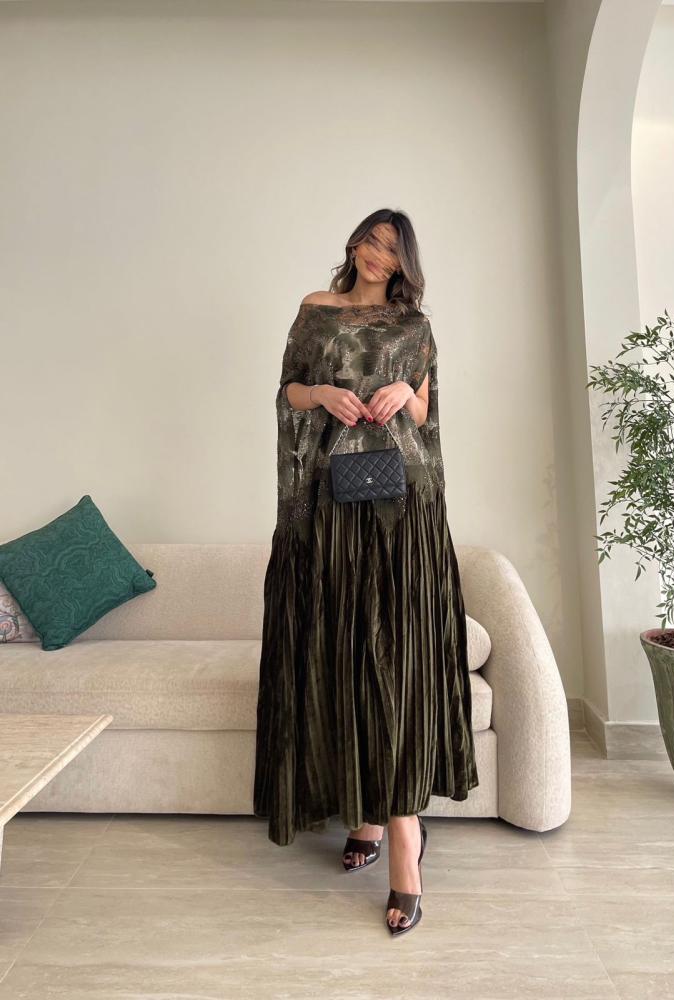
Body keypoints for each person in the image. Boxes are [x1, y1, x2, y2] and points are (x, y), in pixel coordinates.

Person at [253, 208, 478, 935]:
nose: (378, 257)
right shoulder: (315, 310)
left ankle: (404, 843)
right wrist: (322, 394)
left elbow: (424, 409)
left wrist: (400, 396)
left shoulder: (414, 327)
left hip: (400, 509)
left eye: (391, 249)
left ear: (404, 262)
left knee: (395, 660)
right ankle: (368, 815)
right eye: (371, 243)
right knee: (345, 656)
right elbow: (288, 390)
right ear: (353, 244)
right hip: (330, 505)